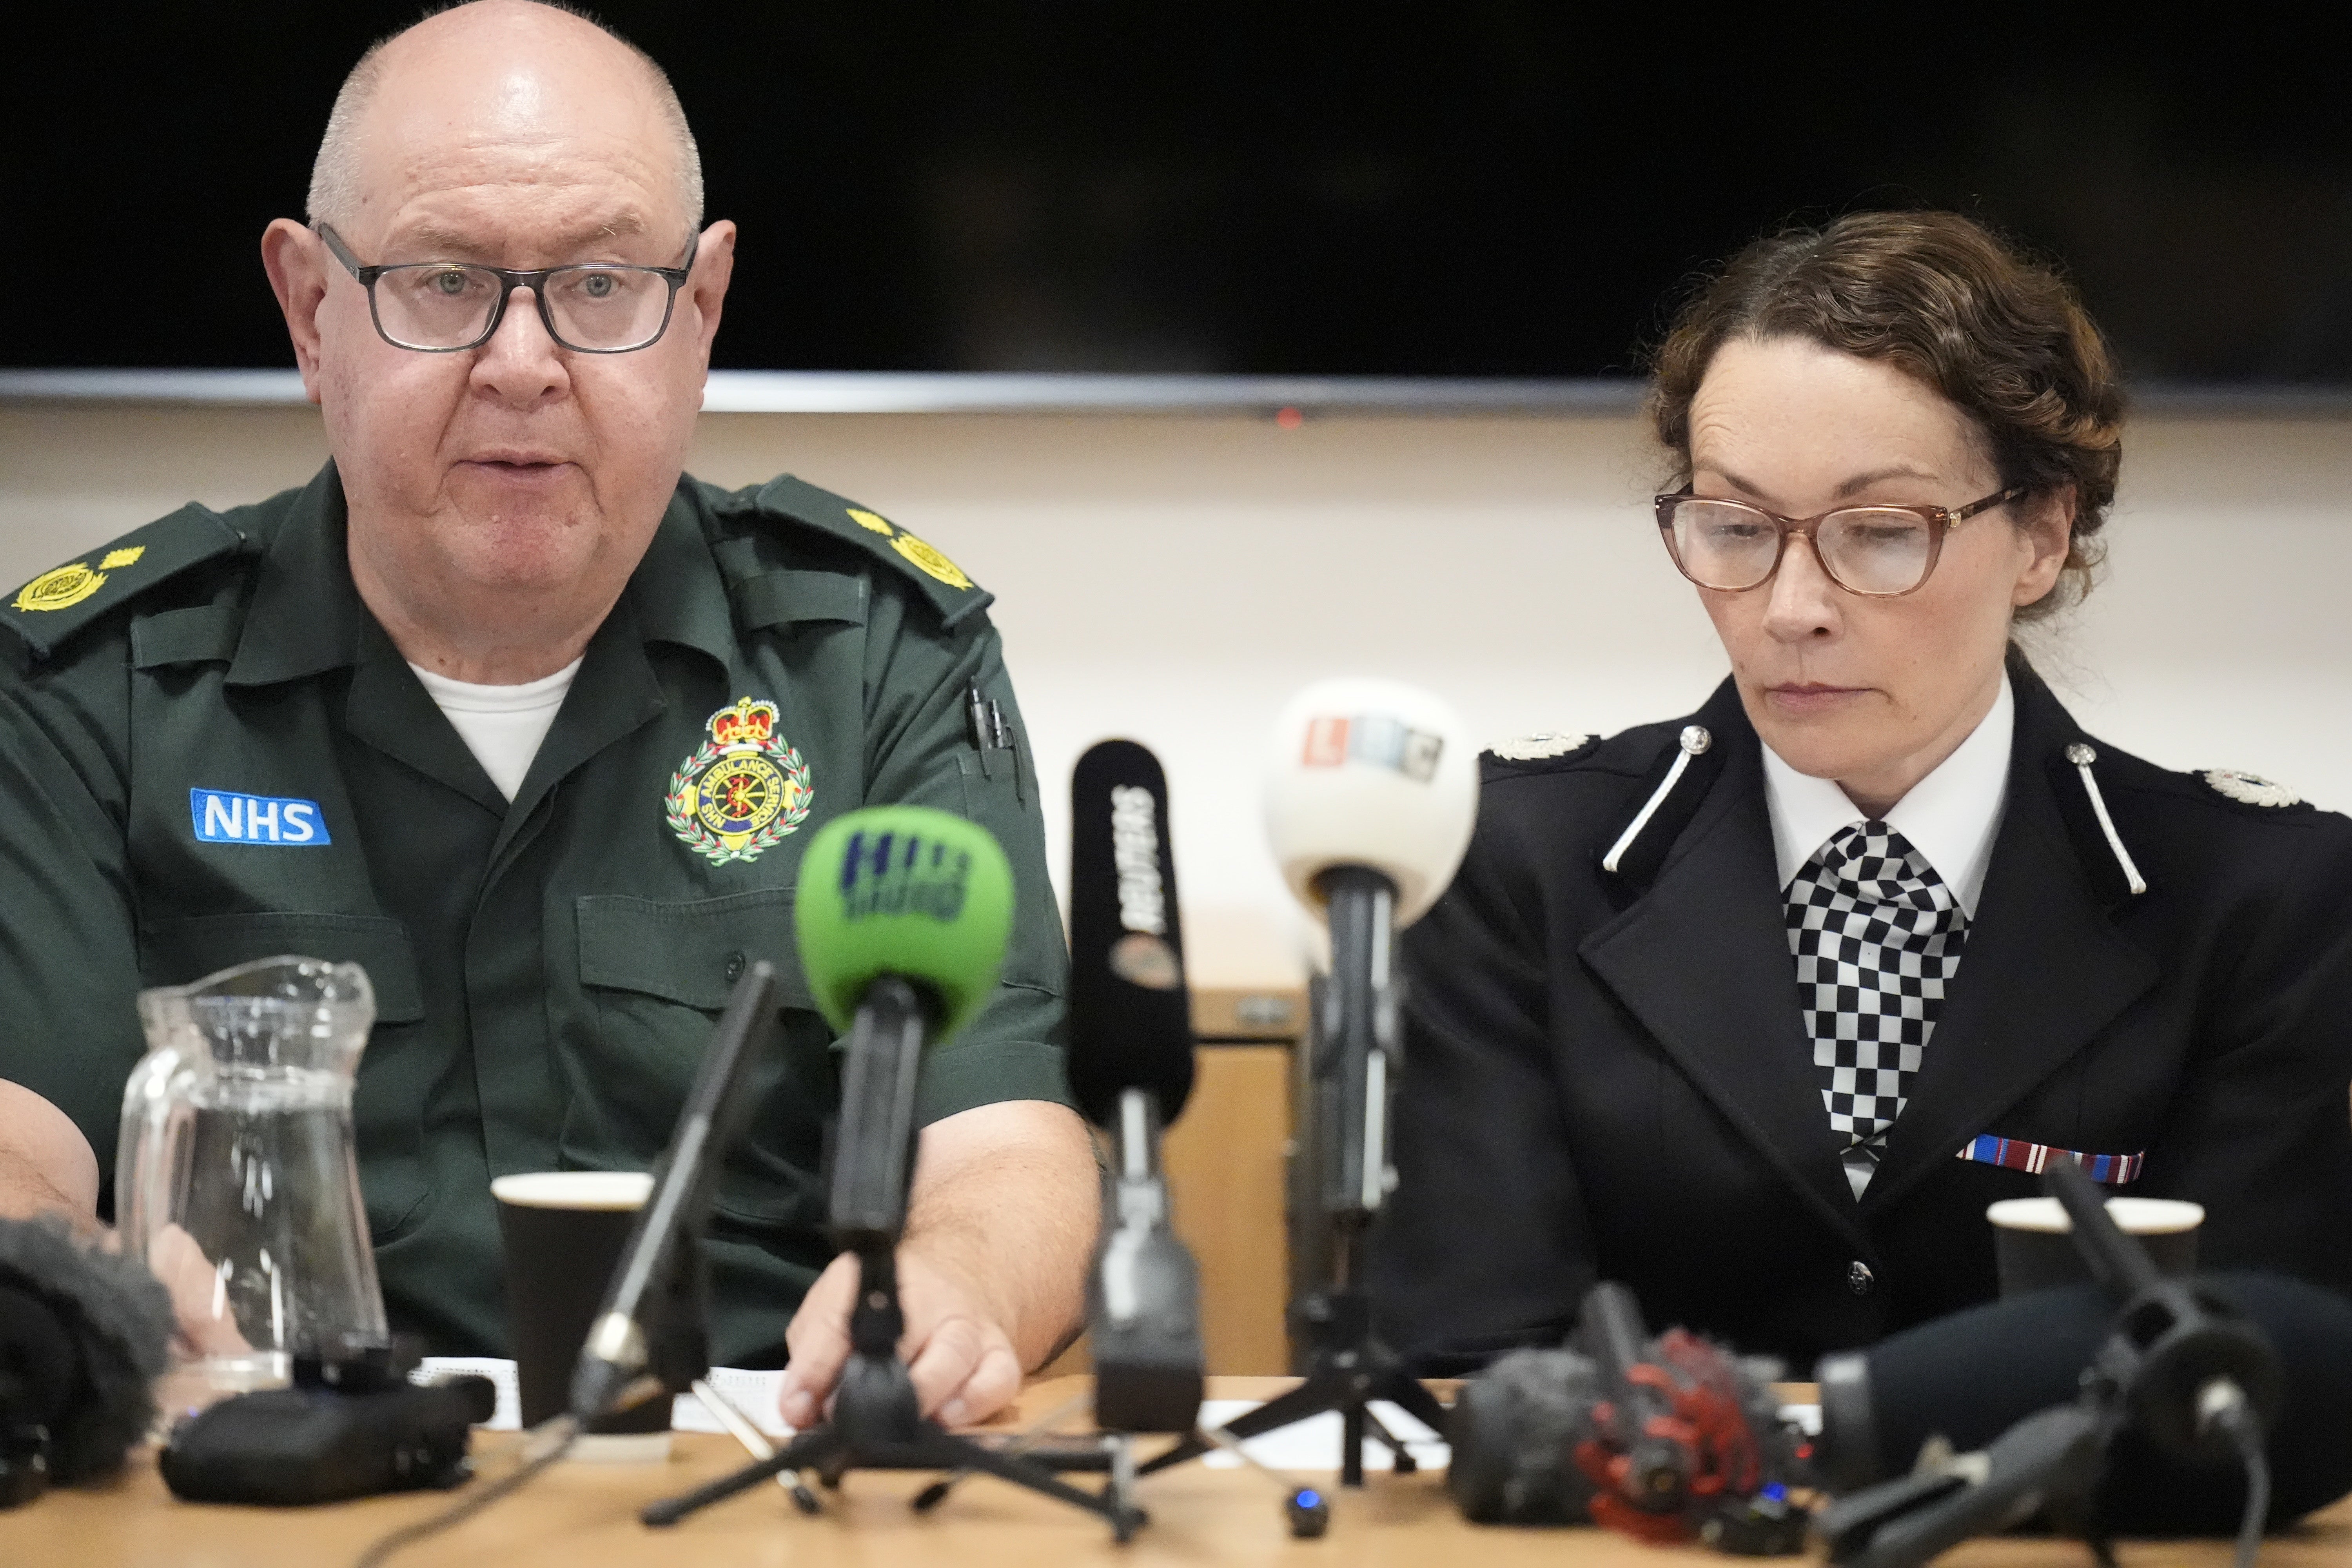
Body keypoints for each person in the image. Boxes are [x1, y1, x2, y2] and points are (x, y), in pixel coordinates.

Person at [0, 0, 1094, 1429]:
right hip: (277, 1464)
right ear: (311, 311)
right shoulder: (100, 686)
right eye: (446, 281)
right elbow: (18, 1154)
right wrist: (90, 1291)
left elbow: (1009, 1149)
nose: (523, 363)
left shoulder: (875, 659)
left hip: (761, 1470)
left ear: (699, 315)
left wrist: (953, 1292)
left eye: (598, 285)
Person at [1372, 211, 2352, 1373]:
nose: (1791, 607)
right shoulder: (1514, 858)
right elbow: (1477, 1357)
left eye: (1879, 533)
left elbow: (2247, 1380)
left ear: (2042, 534)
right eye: (1736, 526)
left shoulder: (2254, 896)